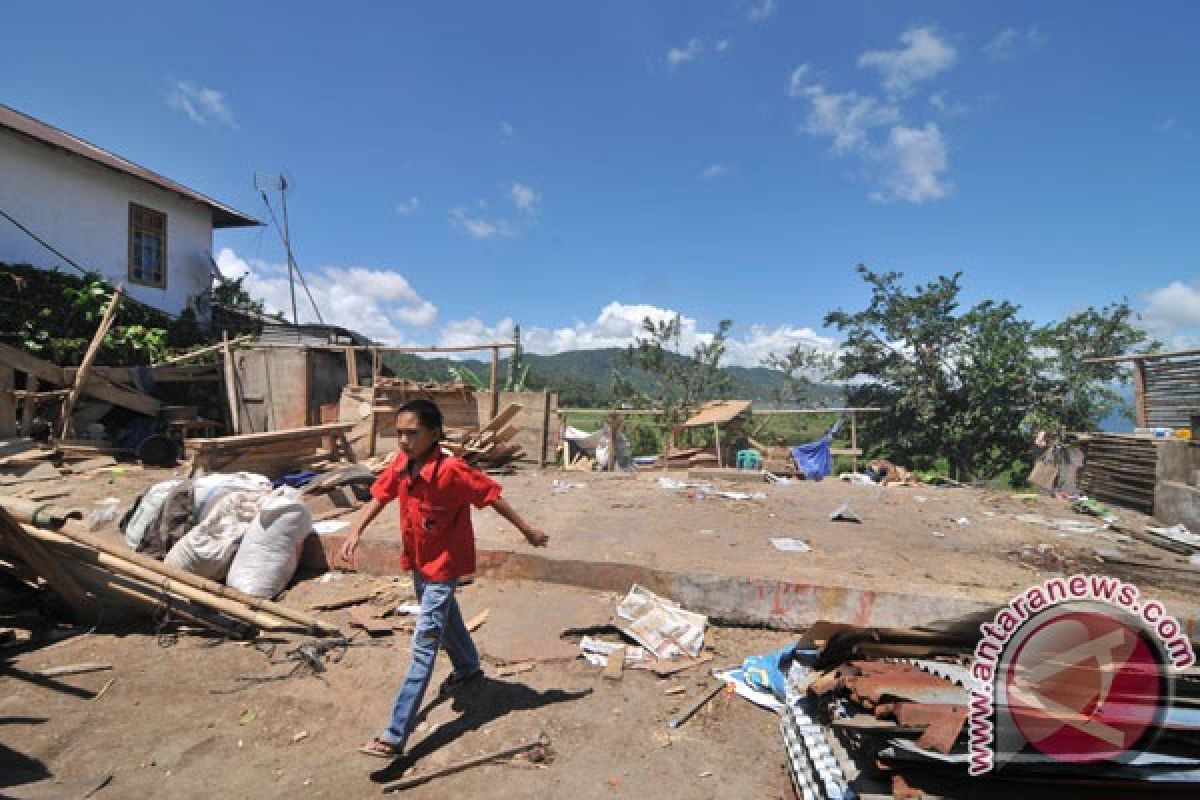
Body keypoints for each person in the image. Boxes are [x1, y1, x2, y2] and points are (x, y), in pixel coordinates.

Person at [339, 398, 548, 759]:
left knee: (424, 645)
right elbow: (379, 496)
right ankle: (467, 669)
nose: (403, 441)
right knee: (446, 618)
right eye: (399, 433)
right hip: (418, 563)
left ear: (434, 434)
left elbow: (493, 497)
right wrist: (355, 531)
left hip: (443, 568)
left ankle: (394, 735)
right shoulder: (402, 464)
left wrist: (528, 532)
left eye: (412, 433)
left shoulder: (452, 471)